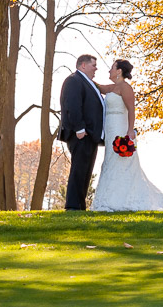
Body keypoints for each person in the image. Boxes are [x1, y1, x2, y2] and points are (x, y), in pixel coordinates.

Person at [91, 59, 163, 212]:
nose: (109, 71)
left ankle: (124, 199)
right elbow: (99, 87)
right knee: (110, 161)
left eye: (112, 68)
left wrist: (129, 131)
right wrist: (85, 75)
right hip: (109, 130)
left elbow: (131, 110)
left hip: (120, 129)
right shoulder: (112, 87)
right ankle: (111, 198)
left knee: (123, 163)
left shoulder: (126, 88)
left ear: (119, 71)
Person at [58, 54, 106, 211]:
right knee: (79, 171)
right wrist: (79, 128)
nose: (96, 69)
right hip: (81, 134)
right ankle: (72, 206)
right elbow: (72, 105)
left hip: (90, 135)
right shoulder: (74, 80)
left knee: (85, 172)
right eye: (94, 65)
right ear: (83, 65)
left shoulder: (88, 83)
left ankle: (79, 205)